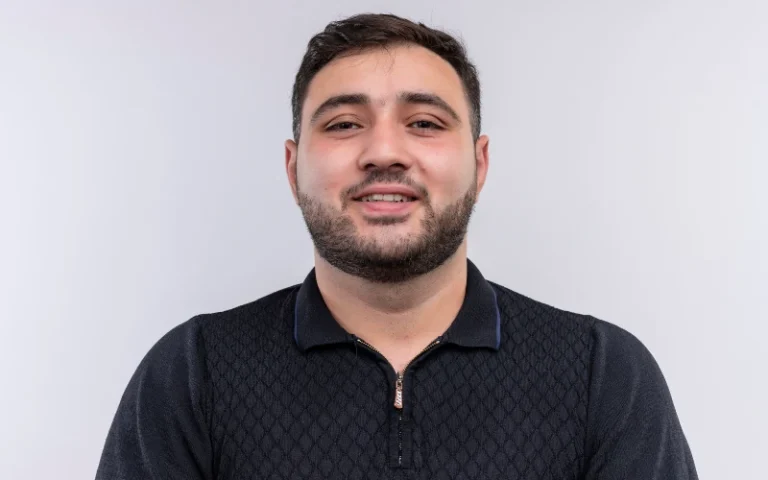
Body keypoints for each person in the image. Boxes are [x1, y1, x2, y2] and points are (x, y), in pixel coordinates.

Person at [96, 13, 698, 480]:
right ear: (293, 167)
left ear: (480, 164)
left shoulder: (601, 375)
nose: (384, 151)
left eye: (425, 123)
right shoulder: (193, 373)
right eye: (344, 124)